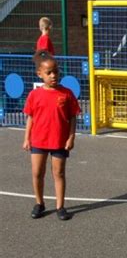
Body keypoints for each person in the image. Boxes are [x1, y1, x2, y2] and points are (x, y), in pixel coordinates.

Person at [23, 51, 81, 221]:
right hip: (39, 140)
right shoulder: (35, 95)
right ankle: (39, 203)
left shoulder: (67, 94)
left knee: (59, 173)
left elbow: (72, 117)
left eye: (56, 71)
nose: (53, 75)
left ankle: (60, 207)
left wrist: (71, 137)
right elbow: (30, 117)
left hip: (59, 141)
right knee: (37, 173)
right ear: (39, 74)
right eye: (49, 72)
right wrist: (27, 138)